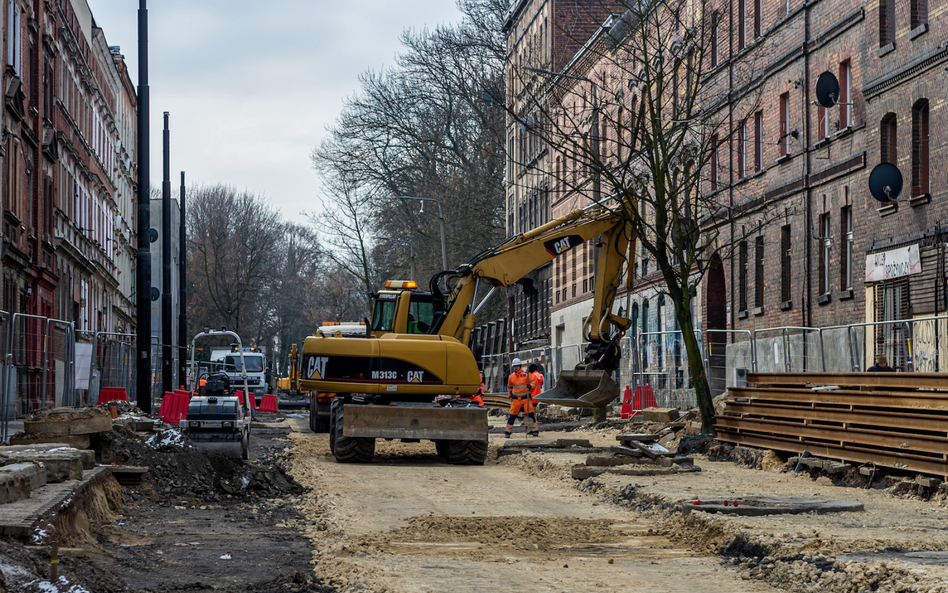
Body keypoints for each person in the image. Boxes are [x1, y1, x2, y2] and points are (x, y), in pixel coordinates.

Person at [505, 358, 538, 438]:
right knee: (512, 416)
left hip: (526, 399)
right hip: (516, 399)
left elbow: (534, 384)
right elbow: (509, 387)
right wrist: (509, 395)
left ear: (520, 366)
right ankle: (507, 432)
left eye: (517, 366)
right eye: (514, 366)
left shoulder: (527, 376)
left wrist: (530, 386)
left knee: (530, 414)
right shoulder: (511, 377)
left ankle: (535, 431)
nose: (516, 368)